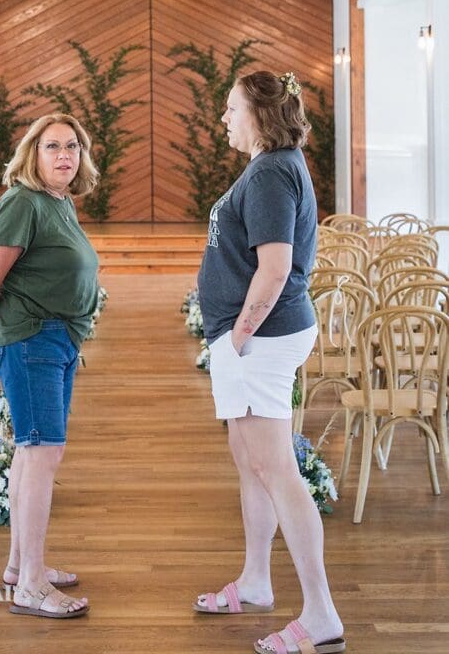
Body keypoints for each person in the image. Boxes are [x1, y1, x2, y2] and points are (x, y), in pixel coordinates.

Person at [193, 71, 345, 654]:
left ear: (259, 114)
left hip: (260, 340)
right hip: (253, 339)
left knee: (277, 469)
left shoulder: (271, 172)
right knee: (252, 463)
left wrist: (238, 337)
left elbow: (276, 266)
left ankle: (321, 614)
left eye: (231, 108)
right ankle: (256, 579)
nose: (224, 118)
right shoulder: (271, 166)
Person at [0, 112, 99, 620]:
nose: (65, 155)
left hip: (55, 337)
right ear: (32, 154)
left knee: (32, 451)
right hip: (30, 339)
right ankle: (33, 586)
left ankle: (21, 565)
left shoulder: (59, 202)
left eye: (72, 146)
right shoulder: (21, 202)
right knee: (42, 453)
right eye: (52, 146)